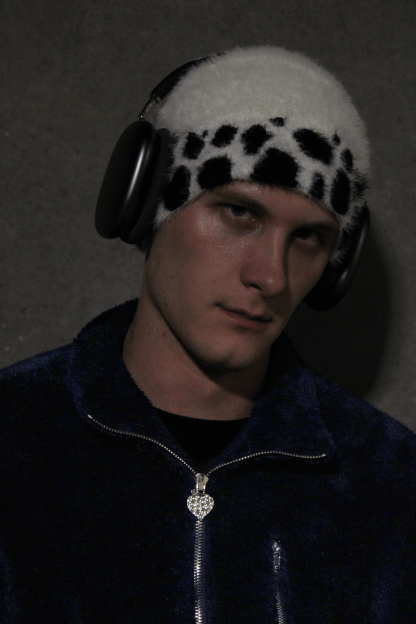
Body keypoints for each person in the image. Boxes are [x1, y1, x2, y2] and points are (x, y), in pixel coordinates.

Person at [1, 46, 415, 624]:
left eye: (309, 238)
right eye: (239, 213)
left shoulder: (393, 478)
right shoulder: (12, 436)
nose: (271, 276)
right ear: (146, 202)